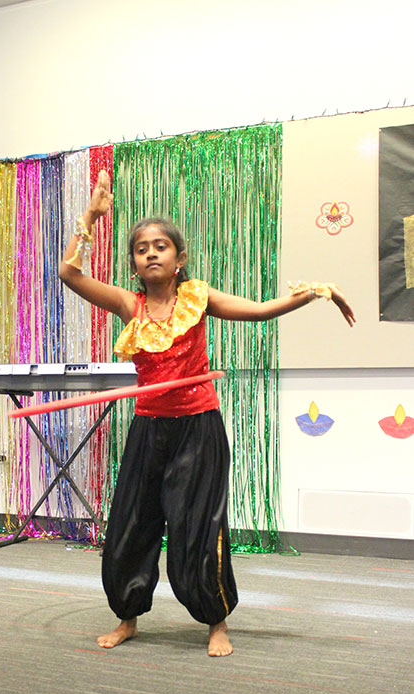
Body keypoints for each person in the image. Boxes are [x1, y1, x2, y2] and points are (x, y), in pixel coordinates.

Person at [59, 170, 355, 657]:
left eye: (161, 246)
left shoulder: (199, 299)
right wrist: (91, 215)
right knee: (132, 526)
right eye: (141, 248)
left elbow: (260, 309)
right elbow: (70, 274)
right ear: (134, 264)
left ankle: (216, 621)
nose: (151, 252)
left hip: (199, 429)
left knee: (198, 528)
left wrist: (318, 292)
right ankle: (127, 616)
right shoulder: (128, 306)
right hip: (149, 429)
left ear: (179, 258)